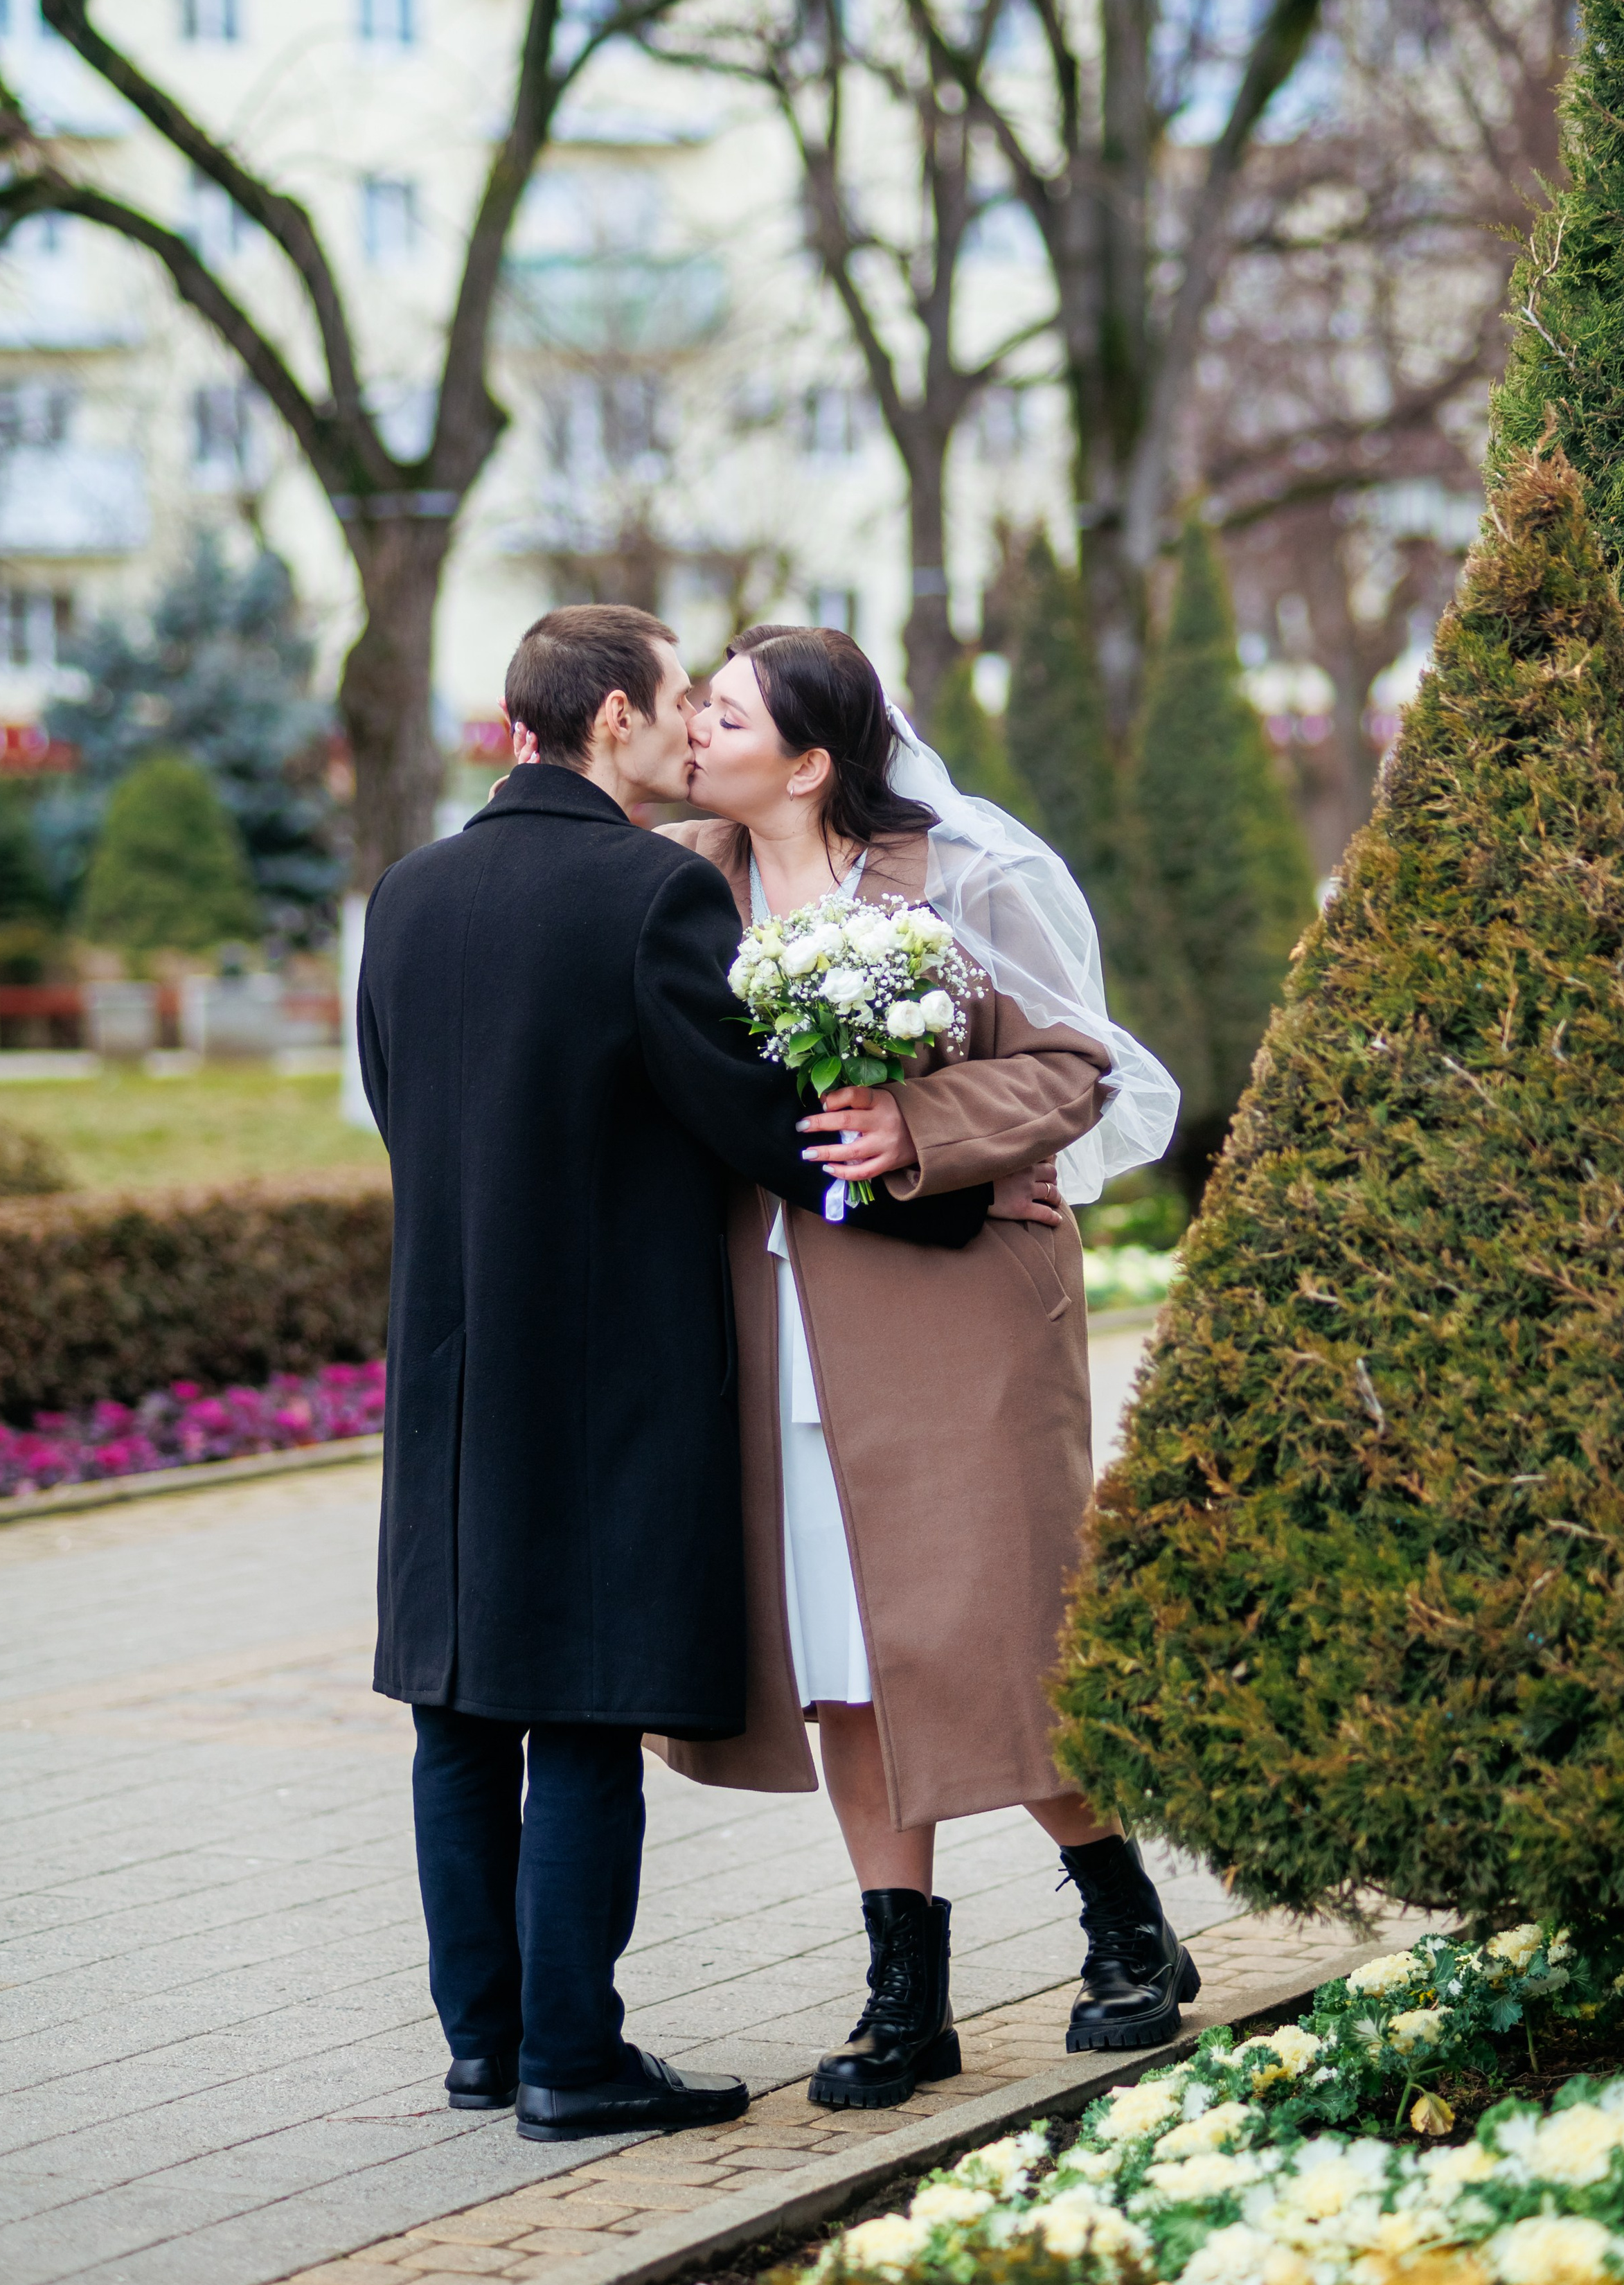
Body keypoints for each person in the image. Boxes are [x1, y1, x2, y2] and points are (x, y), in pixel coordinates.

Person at [357, 605, 988, 2145]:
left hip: (443, 1363)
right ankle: (574, 2058)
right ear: (613, 720)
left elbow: (395, 1099)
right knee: (582, 1707)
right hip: (604, 1370)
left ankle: (485, 2046)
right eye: (674, 699)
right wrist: (939, 1195)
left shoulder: (410, 891)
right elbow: (751, 1112)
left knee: (457, 1711)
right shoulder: (651, 893)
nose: (688, 725)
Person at [654, 623, 1198, 2110]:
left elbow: (1074, 1067)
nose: (695, 731)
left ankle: (1126, 1924)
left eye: (725, 715)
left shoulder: (959, 877)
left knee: (992, 1636)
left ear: (809, 762)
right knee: (844, 1660)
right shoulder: (684, 888)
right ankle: (906, 1996)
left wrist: (918, 1124)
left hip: (960, 1317)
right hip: (772, 1322)